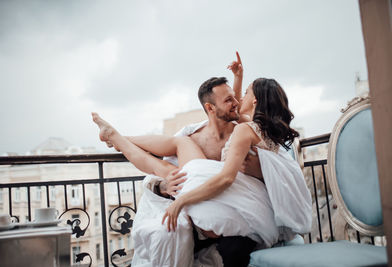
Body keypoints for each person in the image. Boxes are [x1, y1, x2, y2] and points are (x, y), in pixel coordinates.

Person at [92, 73, 312, 266]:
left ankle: (118, 138)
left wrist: (181, 201)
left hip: (234, 203)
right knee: (171, 165)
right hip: (245, 204)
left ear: (253, 100)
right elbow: (235, 107)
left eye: (243, 93)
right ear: (210, 108)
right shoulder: (261, 128)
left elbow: (226, 178)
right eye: (233, 97)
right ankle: (119, 138)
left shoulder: (245, 128)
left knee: (173, 161)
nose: (238, 99)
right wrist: (238, 79)